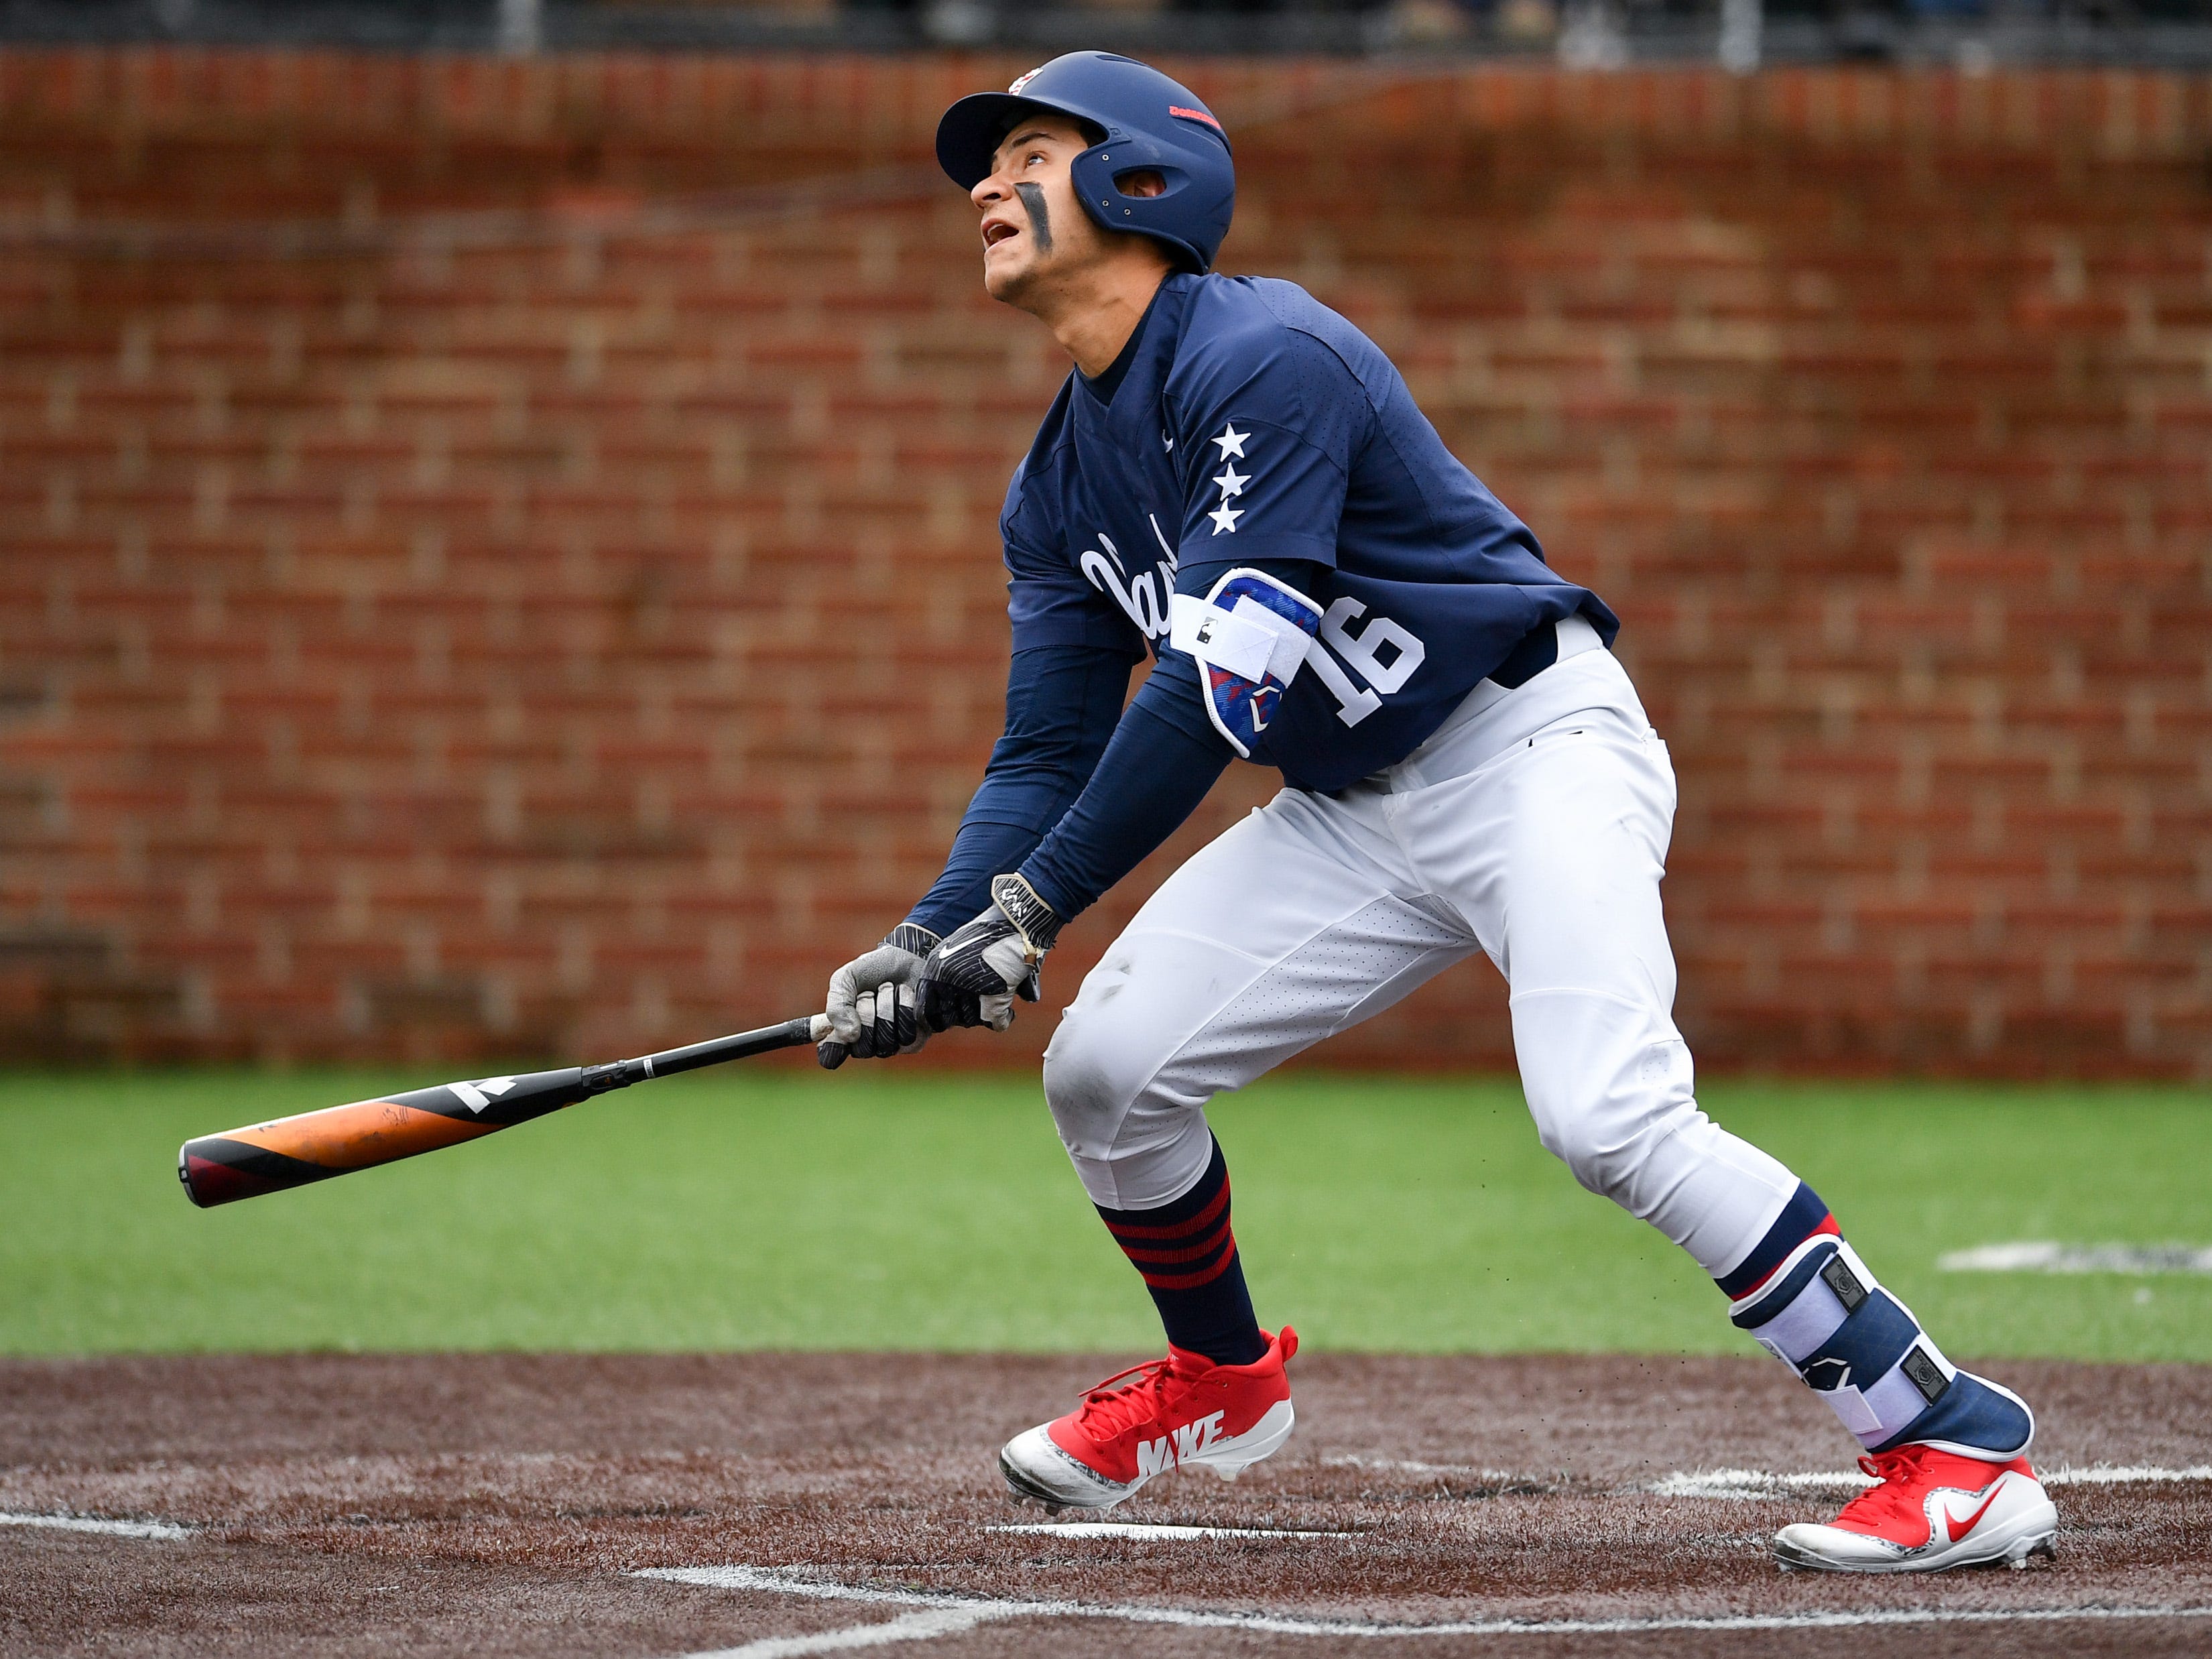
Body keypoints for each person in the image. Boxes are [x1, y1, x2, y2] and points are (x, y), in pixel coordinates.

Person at [814, 50, 2059, 1575]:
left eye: (1028, 153)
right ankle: (1221, 1378)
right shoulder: (1053, 485)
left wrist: (1030, 910)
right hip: (1356, 809)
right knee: (1110, 1071)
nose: (986, 188)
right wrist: (931, 928)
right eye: (984, 166)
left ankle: (1953, 1443)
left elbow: (1217, 692)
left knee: (1605, 1112)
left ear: (1146, 178)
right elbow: (1044, 748)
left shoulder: (1264, 356)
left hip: (1528, 742)